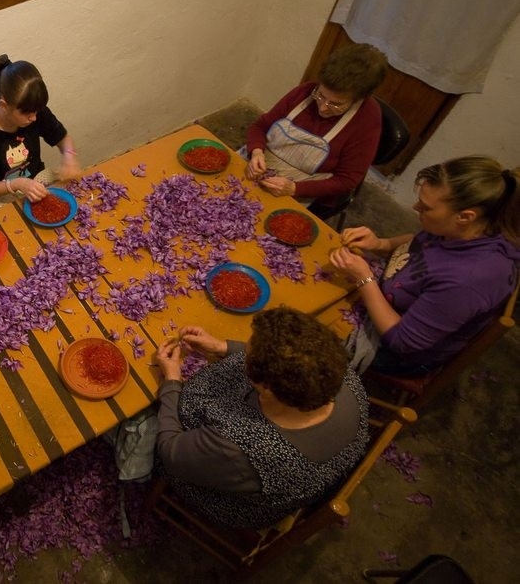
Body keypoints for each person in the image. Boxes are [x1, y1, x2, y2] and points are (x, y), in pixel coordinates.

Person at [154, 307, 369, 530]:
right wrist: (221, 346)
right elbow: (288, 357)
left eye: (247, 355)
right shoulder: (339, 377)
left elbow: (171, 451)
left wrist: (171, 381)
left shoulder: (243, 448)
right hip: (248, 465)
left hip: (229, 500)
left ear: (266, 389)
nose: (243, 353)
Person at [330, 156, 520, 375]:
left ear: (465, 217)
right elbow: (420, 242)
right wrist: (381, 243)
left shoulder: (469, 280)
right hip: (389, 292)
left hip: (397, 351)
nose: (415, 207)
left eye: (426, 208)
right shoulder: (467, 228)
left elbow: (402, 340)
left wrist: (364, 279)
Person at [243, 43, 388, 211]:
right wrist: (257, 151)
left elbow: (347, 180)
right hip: (262, 167)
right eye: (320, 95)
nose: (323, 107)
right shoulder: (304, 92)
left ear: (359, 98)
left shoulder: (367, 118)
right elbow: (260, 126)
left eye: (336, 104)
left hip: (306, 187)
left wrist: (295, 188)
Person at [0, 54, 82, 211]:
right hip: (0, 193)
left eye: (36, 111)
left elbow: (62, 137)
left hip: (35, 180)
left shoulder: (33, 109)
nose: (34, 118)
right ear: (4, 105)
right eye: (27, 113)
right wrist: (18, 184)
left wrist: (69, 156)